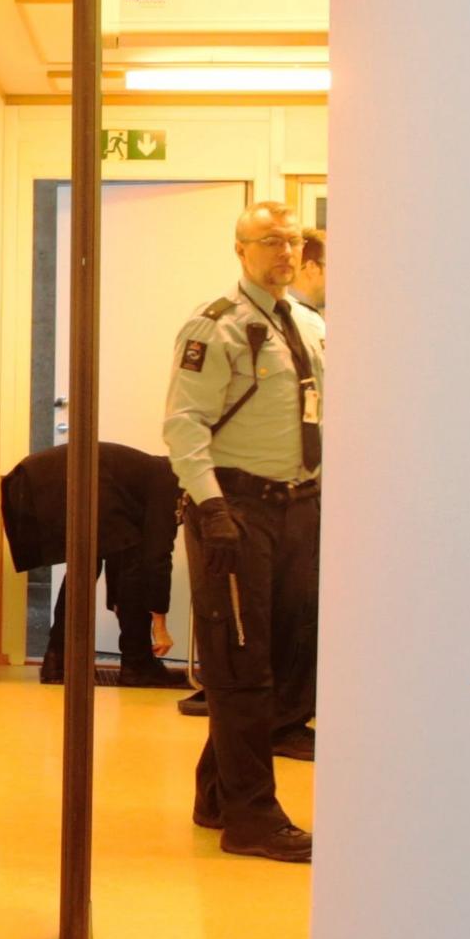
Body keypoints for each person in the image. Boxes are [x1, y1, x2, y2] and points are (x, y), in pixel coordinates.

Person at [161, 204, 321, 862]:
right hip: (237, 514)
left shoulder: (309, 325)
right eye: (268, 242)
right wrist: (212, 506)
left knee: (281, 659)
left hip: (298, 509)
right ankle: (251, 817)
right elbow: (183, 425)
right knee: (241, 666)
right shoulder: (216, 327)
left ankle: (216, 794)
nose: (283, 253)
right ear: (240, 249)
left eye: (291, 242)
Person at [0, 441, 186, 687]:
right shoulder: (171, 485)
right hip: (48, 483)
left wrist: (117, 601)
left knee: (87, 567)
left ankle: (58, 661)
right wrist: (160, 626)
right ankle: (137, 666)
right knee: (113, 566)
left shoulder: (155, 475)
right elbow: (157, 558)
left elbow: (122, 552)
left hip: (29, 482)